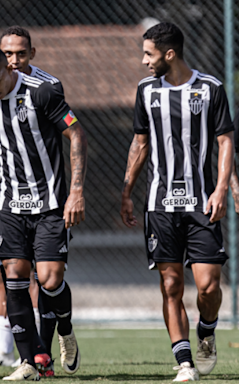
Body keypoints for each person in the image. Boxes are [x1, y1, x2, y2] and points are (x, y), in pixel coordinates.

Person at [120, 22, 234, 382]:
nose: (143, 61)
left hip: (202, 203)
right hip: (160, 204)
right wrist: (126, 191)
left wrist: (220, 189)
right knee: (171, 285)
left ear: (170, 54)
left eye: (148, 54)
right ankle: (185, 362)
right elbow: (140, 143)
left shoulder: (211, 88)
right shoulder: (146, 91)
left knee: (209, 286)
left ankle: (207, 331)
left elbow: (225, 141)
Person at [0, 46, 87, 380]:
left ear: (8, 67)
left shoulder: (43, 92)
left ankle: (64, 327)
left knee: (50, 280)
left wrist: (76, 190)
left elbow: (76, 132)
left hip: (49, 202)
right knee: (15, 277)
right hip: (7, 202)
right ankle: (31, 363)